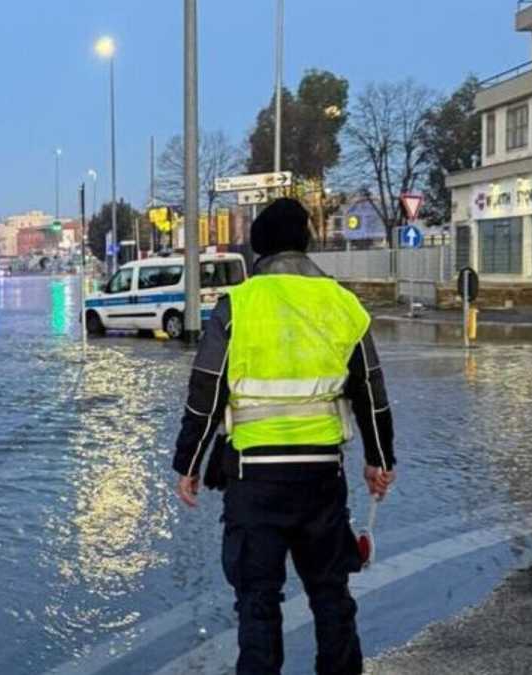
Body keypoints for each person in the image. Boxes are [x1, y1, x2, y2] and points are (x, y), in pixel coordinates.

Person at [172, 198, 396, 675]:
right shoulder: (343, 304)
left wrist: (188, 464)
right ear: (306, 243)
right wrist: (380, 459)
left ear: (258, 249)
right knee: (331, 596)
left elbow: (205, 391)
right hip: (322, 479)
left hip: (254, 483)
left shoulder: (239, 305)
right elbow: (371, 391)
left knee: (257, 602)